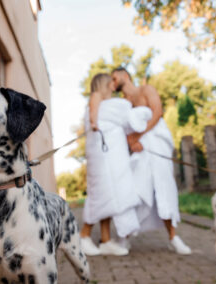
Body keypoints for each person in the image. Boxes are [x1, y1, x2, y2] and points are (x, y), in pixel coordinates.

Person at [111, 67, 192, 255]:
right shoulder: (123, 103)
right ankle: (126, 237)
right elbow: (123, 131)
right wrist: (131, 142)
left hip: (156, 143)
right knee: (135, 189)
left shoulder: (146, 90)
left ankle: (174, 238)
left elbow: (157, 112)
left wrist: (137, 136)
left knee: (164, 188)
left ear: (125, 75)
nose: (113, 82)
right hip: (139, 150)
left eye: (114, 78)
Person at [80, 73, 151, 256]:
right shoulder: (97, 98)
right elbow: (94, 113)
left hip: (108, 153)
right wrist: (95, 123)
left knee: (109, 197)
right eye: (111, 81)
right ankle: (84, 236)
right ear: (103, 84)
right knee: (102, 194)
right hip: (103, 154)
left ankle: (105, 240)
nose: (114, 84)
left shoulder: (109, 104)